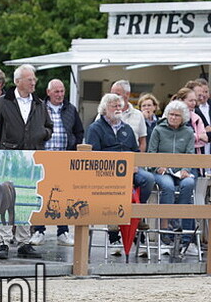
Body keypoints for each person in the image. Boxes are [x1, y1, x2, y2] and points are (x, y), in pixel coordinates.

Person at [0, 64, 52, 260]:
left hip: (32, 156)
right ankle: (4, 242)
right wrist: (0, 153)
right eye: (30, 79)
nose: (33, 82)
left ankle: (24, 242)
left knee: (26, 198)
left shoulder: (39, 103)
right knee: (5, 200)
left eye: (34, 79)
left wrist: (42, 133)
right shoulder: (3, 102)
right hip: (9, 155)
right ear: (18, 81)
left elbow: (49, 126)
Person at [85, 93, 155, 252]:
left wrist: (135, 165)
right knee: (118, 183)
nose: (118, 109)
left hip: (130, 170)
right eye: (114, 106)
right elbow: (93, 155)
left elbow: (136, 151)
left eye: (119, 106)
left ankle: (137, 214)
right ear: (104, 109)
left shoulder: (127, 128)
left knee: (148, 179)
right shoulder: (95, 128)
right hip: (107, 173)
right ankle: (113, 235)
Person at [30, 78, 84, 247]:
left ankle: (63, 231)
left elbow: (79, 131)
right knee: (41, 194)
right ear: (48, 92)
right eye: (56, 92)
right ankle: (39, 230)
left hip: (63, 157)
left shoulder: (70, 109)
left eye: (62, 91)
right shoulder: (38, 107)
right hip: (43, 156)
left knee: (63, 195)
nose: (60, 95)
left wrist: (73, 147)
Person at [147, 100, 198, 255]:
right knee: (168, 187)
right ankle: (166, 236)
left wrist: (185, 169)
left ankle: (185, 237)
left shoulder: (188, 132)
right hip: (162, 171)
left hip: (181, 172)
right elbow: (151, 152)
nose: (173, 117)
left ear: (183, 118)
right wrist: (157, 167)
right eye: (171, 114)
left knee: (189, 183)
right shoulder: (158, 129)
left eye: (177, 115)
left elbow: (190, 154)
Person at [109, 80, 147, 152]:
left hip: (131, 157)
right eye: (111, 94)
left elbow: (142, 141)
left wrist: (138, 159)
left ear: (127, 94)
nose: (113, 98)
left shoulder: (138, 115)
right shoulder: (105, 114)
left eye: (117, 94)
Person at [172, 87, 208, 154]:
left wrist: (193, 138)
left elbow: (205, 139)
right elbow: (179, 137)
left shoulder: (196, 117)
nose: (194, 103)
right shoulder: (172, 116)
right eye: (190, 101)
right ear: (181, 100)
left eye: (195, 100)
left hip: (196, 154)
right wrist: (198, 137)